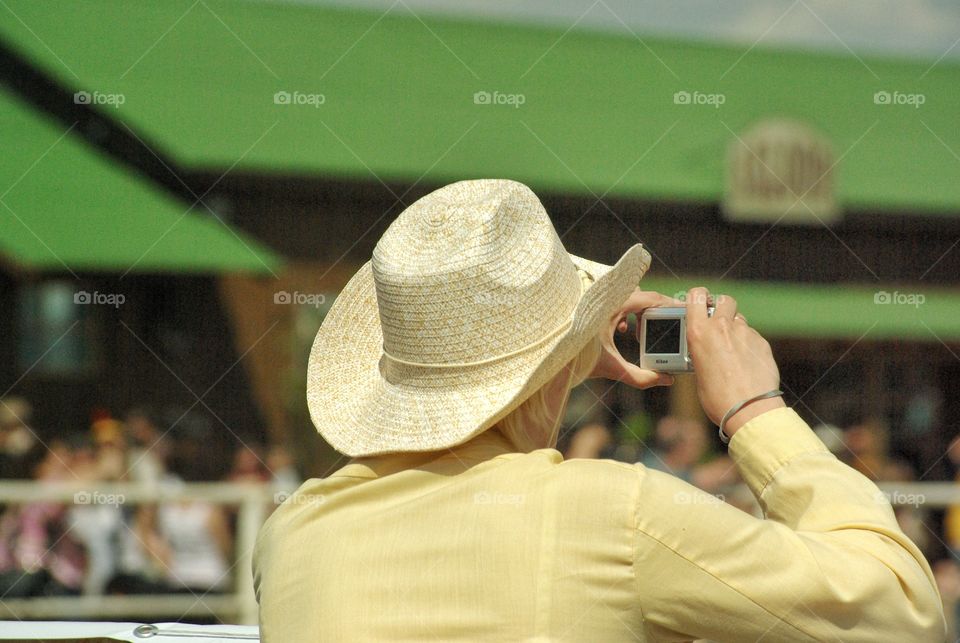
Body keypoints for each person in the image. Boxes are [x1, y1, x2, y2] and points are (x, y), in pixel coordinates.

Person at [254, 179, 944, 641]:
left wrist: (561, 355)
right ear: (564, 362)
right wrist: (755, 410)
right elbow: (901, 610)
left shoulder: (293, 535)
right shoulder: (613, 513)